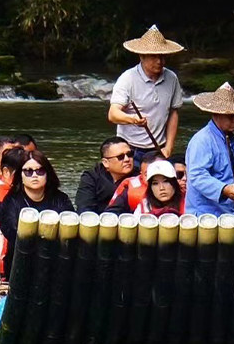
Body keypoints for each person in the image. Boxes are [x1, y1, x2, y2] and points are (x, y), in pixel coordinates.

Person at [107, 25, 184, 165]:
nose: (159, 61)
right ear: (141, 56)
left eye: (162, 56)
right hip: (130, 150)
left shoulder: (171, 78)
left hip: (158, 148)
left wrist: (169, 147)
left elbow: (173, 113)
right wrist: (133, 119)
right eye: (154, 57)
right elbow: (113, 114)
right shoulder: (128, 78)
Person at [0, 150, 74, 278]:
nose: (34, 175)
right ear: (20, 176)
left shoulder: (61, 199)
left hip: (56, 261)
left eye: (40, 171)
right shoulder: (11, 201)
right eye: (28, 171)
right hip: (21, 262)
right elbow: (11, 231)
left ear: (47, 174)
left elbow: (70, 229)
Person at [185, 82, 234, 217]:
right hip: (205, 216)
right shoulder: (202, 140)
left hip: (229, 214)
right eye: (231, 116)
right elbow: (197, 175)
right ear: (216, 114)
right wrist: (224, 189)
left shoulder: (231, 140)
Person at [75, 137, 136, 213]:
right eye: (120, 157)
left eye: (130, 154)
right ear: (105, 162)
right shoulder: (91, 177)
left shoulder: (139, 176)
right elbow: (84, 207)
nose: (127, 159)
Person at [104, 150, 162, 215]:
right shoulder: (129, 189)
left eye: (159, 173)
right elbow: (111, 213)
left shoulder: (175, 185)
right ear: (141, 174)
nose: (153, 178)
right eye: (147, 174)